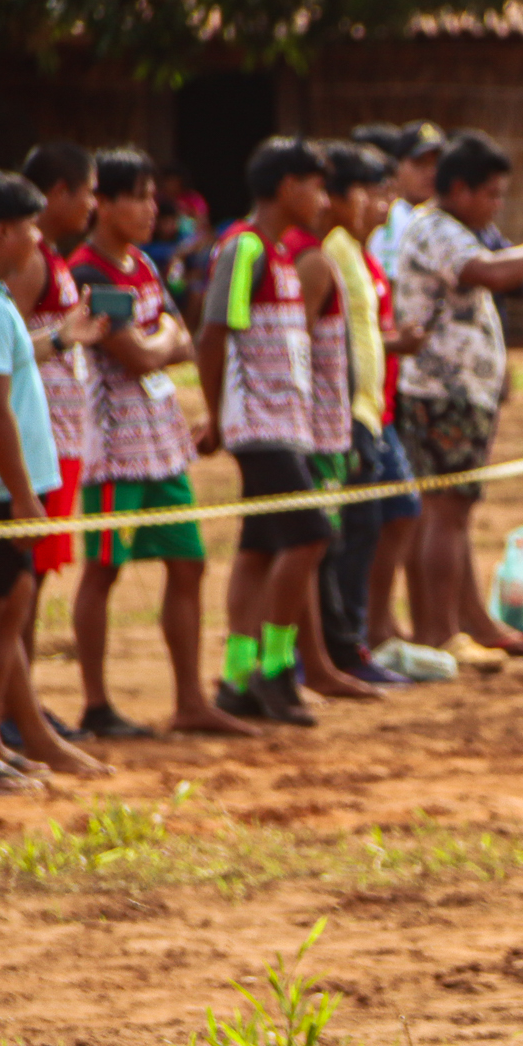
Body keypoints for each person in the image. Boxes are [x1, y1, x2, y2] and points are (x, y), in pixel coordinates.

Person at [65, 147, 257, 738]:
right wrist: (164, 340)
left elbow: (181, 341)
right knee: (104, 570)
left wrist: (163, 341)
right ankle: (96, 704)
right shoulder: (88, 273)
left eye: (153, 197)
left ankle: (190, 700)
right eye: (139, 197)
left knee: (188, 563)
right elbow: (145, 352)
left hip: (162, 445)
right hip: (114, 452)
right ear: (103, 203)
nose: (152, 210)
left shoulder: (144, 266)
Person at [394, 129, 523, 660]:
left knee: (451, 512)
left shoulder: (446, 229)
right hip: (444, 391)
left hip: (454, 390)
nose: (497, 205)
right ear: (459, 188)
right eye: (492, 194)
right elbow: (491, 272)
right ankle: (441, 632)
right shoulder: (439, 229)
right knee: (445, 512)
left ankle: (468, 623)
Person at [0, 171, 111, 786]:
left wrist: (59, 339)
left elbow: (4, 367)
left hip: (0, 487)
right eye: (29, 226)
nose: (35, 239)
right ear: (3, 230)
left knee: (5, 615)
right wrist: (24, 496)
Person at [197, 137, 337, 726]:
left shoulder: (279, 255)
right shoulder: (246, 249)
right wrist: (217, 415)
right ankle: (275, 667)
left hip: (283, 424)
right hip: (259, 425)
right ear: (287, 186)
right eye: (316, 187)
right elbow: (213, 334)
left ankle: (236, 676)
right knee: (309, 537)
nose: (323, 200)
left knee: (258, 549)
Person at [321, 140, 431, 677]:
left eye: (383, 193)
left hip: (373, 409)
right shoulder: (334, 252)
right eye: (368, 192)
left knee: (377, 521)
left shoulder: (358, 253)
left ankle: (361, 636)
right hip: (350, 414)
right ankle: (346, 644)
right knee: (347, 532)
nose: (378, 205)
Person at [282, 146, 387, 702]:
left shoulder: (321, 254)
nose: (326, 202)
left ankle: (325, 655)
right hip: (316, 425)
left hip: (338, 420)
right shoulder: (313, 258)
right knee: (312, 543)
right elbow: (294, 348)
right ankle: (305, 660)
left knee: (324, 539)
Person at [10, 142, 98, 739]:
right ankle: (10, 708)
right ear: (59, 192)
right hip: (34, 441)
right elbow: (4, 347)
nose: (92, 205)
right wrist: (64, 339)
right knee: (20, 581)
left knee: (31, 581)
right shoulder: (30, 260)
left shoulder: (50, 257)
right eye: (89, 192)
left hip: (58, 440)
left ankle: (20, 701)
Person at [367, 120, 444, 276]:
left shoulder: (448, 216)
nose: (430, 173)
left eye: (436, 164)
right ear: (397, 167)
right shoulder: (384, 215)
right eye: (420, 163)